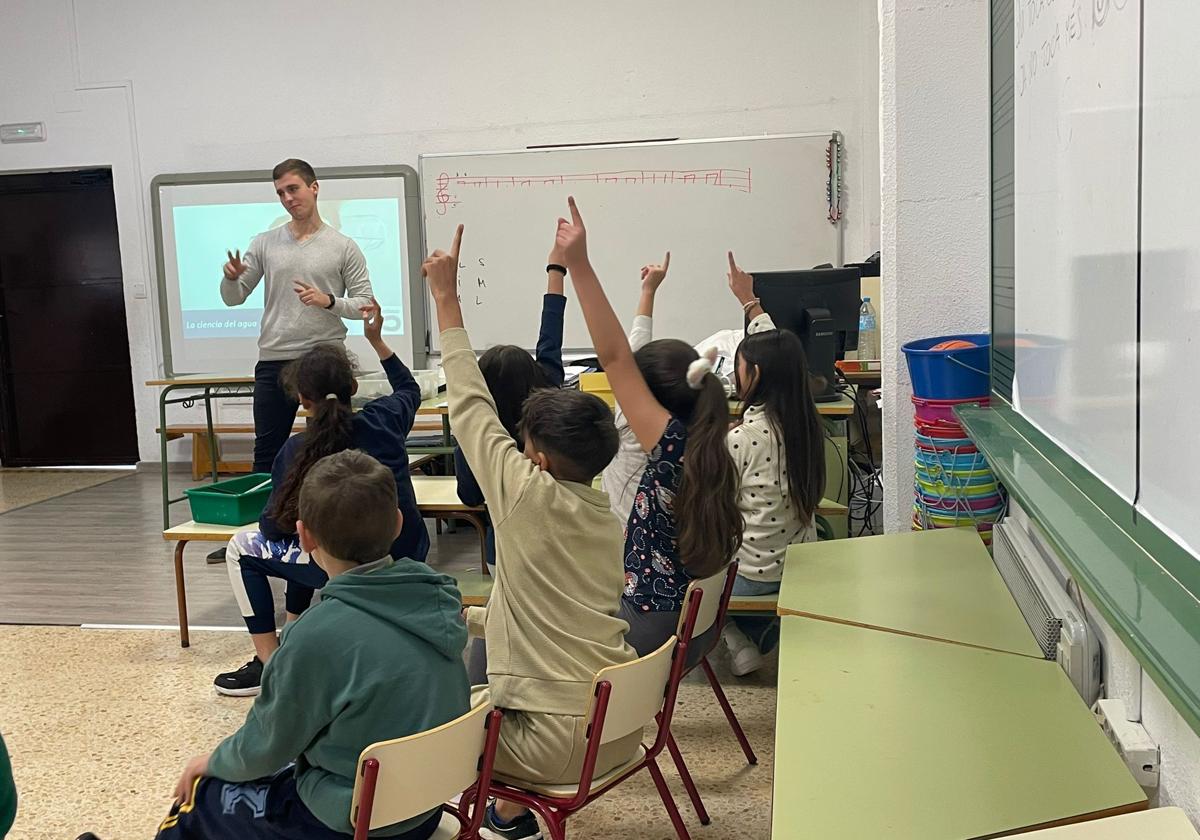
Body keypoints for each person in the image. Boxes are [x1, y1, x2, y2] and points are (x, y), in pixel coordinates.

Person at [425, 225, 638, 840]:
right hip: (617, 727)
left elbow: (468, 404)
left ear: (536, 458)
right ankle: (510, 817)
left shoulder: (523, 496)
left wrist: (447, 300)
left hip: (554, 745)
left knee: (411, 722)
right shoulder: (605, 513)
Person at [154, 450, 470, 840]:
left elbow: (267, 745)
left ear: (303, 536)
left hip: (349, 820)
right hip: (421, 811)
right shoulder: (439, 600)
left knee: (199, 797)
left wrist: (212, 760)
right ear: (399, 524)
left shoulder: (315, 635)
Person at [214, 299, 428, 697]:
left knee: (247, 546)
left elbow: (270, 525)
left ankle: (270, 663)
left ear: (302, 400)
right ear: (354, 388)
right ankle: (295, 630)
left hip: (342, 566)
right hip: (405, 553)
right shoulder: (386, 419)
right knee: (306, 534)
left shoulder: (296, 450)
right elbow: (409, 388)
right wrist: (377, 341)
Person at [558, 198, 743, 657]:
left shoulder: (670, 450)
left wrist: (577, 265)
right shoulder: (708, 440)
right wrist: (647, 293)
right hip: (687, 632)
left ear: (650, 405)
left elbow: (617, 356)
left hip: (644, 630)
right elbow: (630, 357)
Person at [220, 158, 375, 475]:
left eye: (293, 189)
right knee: (267, 452)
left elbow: (365, 304)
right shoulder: (264, 243)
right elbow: (232, 298)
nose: (288, 198)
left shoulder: (343, 247)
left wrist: (328, 301)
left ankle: (336, 518)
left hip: (325, 359)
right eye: (281, 193)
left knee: (336, 448)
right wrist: (232, 279)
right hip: (275, 358)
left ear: (314, 188)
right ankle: (266, 522)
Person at [721, 253, 826, 675]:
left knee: (685, 566)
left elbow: (717, 511)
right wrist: (750, 303)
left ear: (755, 377)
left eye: (739, 369)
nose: (735, 375)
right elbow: (782, 354)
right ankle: (769, 631)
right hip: (800, 569)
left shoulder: (740, 440)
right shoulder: (808, 426)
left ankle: (736, 639)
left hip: (751, 578)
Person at [454, 238, 568, 566]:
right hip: (558, 544)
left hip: (502, 549)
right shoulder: (548, 403)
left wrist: (445, 294)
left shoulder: (478, 433)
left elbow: (470, 496)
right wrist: (556, 270)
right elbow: (551, 337)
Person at [600, 251, 670, 521]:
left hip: (618, 546)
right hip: (660, 549)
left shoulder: (627, 426)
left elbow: (631, 350)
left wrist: (648, 290)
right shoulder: (681, 439)